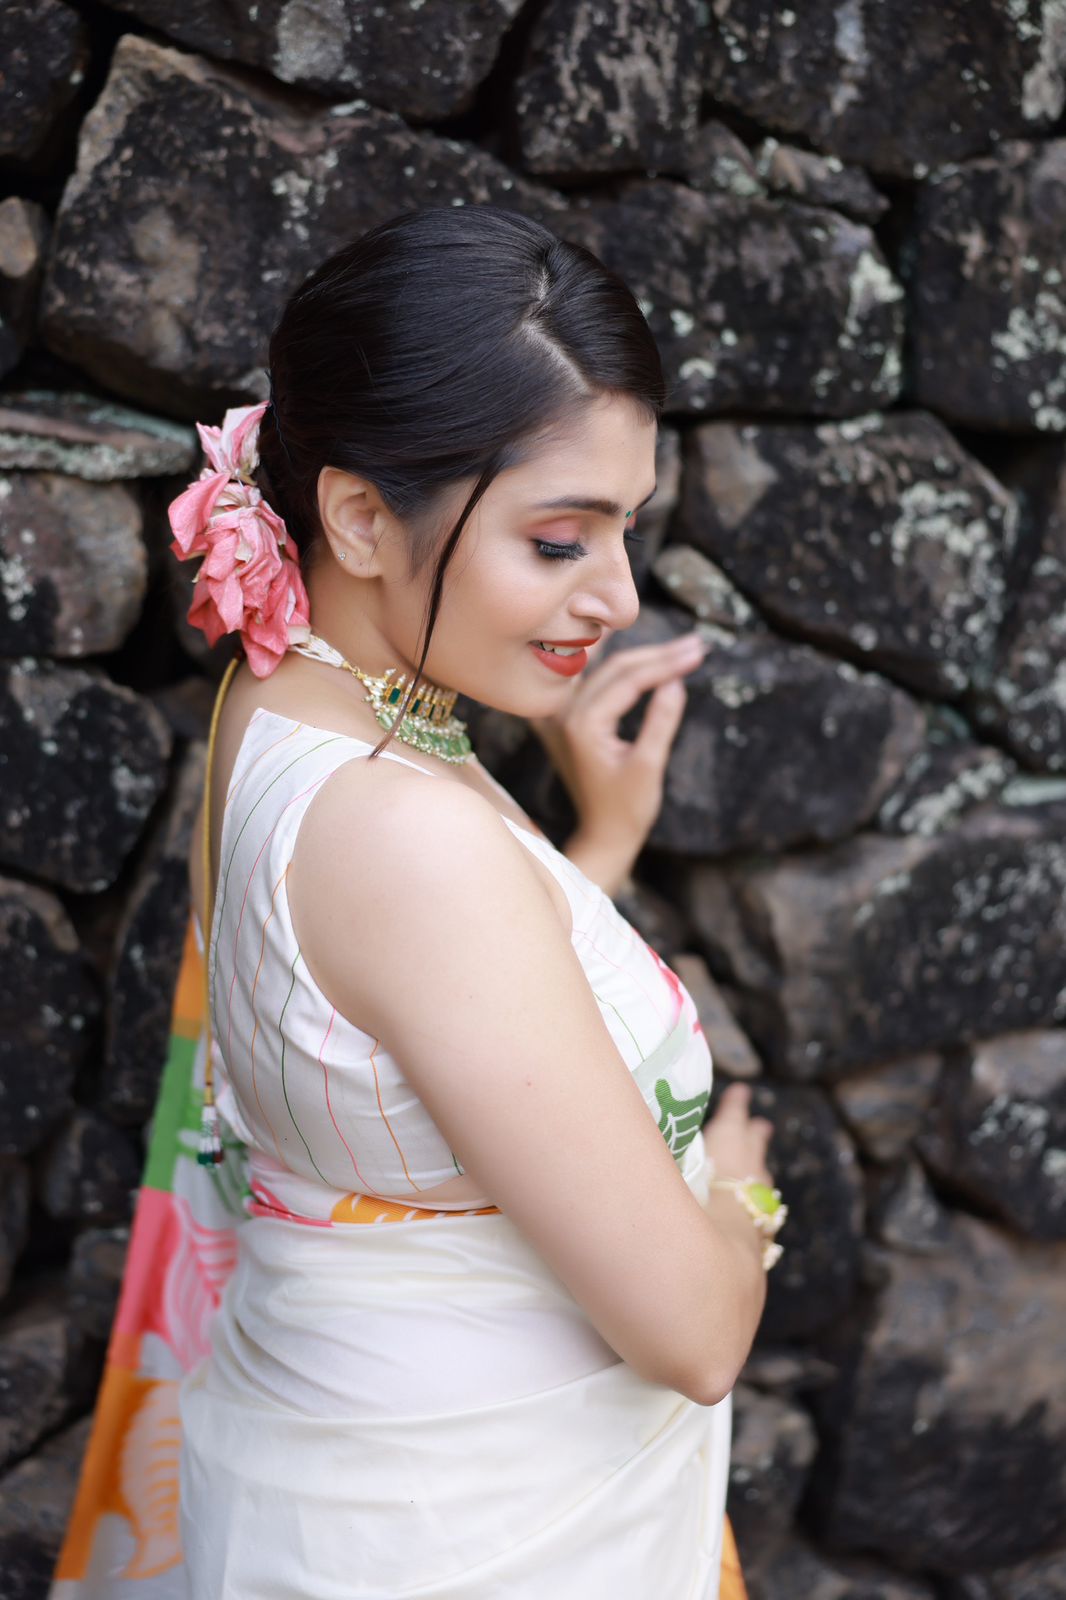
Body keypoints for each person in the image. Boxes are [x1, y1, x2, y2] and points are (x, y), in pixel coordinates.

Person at [50, 204, 786, 1600]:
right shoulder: (410, 838)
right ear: (359, 515)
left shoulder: (280, 694)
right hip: (483, 1541)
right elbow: (694, 1337)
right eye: (558, 542)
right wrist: (732, 1196)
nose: (613, 597)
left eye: (620, 533)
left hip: (358, 1482)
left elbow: (407, 1038)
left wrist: (592, 854)